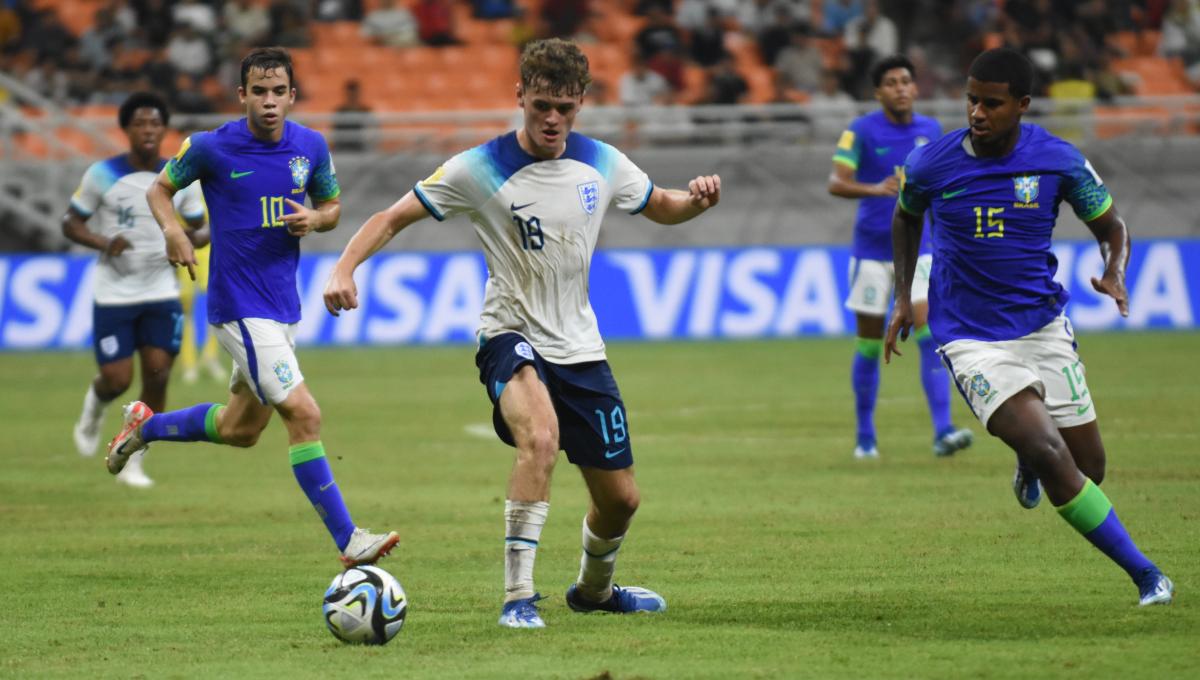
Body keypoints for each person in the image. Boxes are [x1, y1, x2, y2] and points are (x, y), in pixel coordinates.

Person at [323, 38, 722, 628]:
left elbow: (661, 203)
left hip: (580, 347)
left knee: (622, 501)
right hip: (509, 333)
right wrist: (343, 267)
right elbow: (391, 216)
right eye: (541, 106)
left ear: (581, 102)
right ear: (520, 97)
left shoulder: (602, 162)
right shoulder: (477, 167)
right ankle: (517, 598)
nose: (552, 119)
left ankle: (593, 592)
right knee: (540, 438)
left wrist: (697, 201)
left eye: (564, 107)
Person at [885, 47, 1173, 606]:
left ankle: (1026, 460)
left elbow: (1112, 226)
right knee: (1049, 449)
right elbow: (905, 216)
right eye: (971, 100)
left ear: (1022, 104)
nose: (976, 113)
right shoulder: (931, 163)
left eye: (991, 103)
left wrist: (1115, 273)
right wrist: (903, 296)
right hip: (969, 337)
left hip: (1042, 327)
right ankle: (1147, 575)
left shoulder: (1059, 160)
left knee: (1090, 468)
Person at [106, 47, 398, 568]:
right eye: (258, 92)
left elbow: (333, 207)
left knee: (242, 430)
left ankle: (144, 426)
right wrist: (173, 231)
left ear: (292, 95)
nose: (268, 102)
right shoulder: (212, 148)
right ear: (242, 95)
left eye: (277, 92)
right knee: (305, 415)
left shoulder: (311, 146)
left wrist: (315, 218)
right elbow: (160, 189)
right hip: (237, 306)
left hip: (282, 305)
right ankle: (350, 541)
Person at [827, 54, 972, 460]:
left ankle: (943, 431)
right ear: (878, 92)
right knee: (870, 345)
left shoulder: (931, 130)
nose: (901, 88)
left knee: (928, 331)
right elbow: (836, 182)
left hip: (919, 247)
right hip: (872, 251)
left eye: (906, 80)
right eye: (891, 82)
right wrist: (878, 189)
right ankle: (865, 436)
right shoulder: (859, 131)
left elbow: (946, 183)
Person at [65, 91, 208, 489]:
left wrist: (181, 238)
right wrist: (103, 242)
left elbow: (199, 230)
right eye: (140, 123)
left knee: (158, 378)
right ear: (127, 129)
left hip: (161, 291)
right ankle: (94, 409)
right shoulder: (102, 175)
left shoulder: (179, 175)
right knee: (116, 380)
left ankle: (134, 461)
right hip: (114, 294)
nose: (148, 130)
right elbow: (69, 222)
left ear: (164, 129)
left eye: (155, 123)